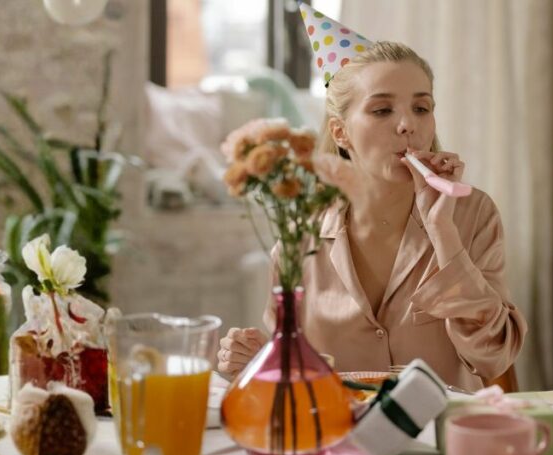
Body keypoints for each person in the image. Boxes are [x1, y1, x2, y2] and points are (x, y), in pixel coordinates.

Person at [218, 11, 526, 392]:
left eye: (421, 108)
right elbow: (290, 367)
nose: (407, 125)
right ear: (341, 132)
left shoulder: (473, 214)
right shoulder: (300, 233)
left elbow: (494, 356)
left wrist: (444, 234)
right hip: (339, 426)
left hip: (442, 426)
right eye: (382, 110)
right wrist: (254, 358)